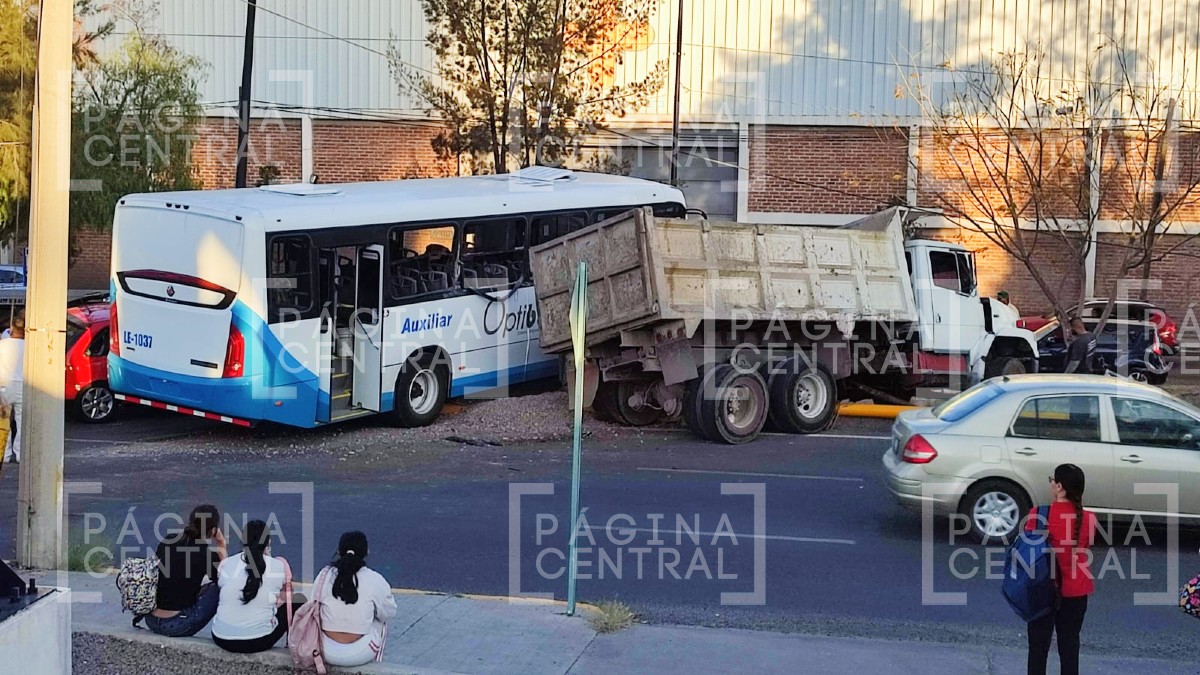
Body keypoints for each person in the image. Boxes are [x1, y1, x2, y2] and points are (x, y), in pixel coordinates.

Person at [1026, 464, 1097, 675]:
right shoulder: (1090, 519)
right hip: (1076, 591)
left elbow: (1030, 552)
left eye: (1052, 479)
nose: (1050, 483)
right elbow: (1084, 546)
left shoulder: (1038, 515)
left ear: (1059, 486)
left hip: (1043, 590)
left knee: (1038, 648)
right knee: (1070, 645)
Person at [211, 520, 303, 653]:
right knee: (298, 601)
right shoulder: (278, 566)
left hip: (221, 637)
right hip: (258, 641)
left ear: (242, 541)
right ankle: (292, 646)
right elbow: (286, 598)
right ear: (268, 542)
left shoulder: (227, 563)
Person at [317, 532, 397, 667]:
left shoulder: (324, 574)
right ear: (366, 552)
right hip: (358, 653)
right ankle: (376, 666)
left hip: (324, 648)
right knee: (381, 623)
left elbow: (314, 605)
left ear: (338, 551)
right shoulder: (375, 579)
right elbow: (388, 613)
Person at [145, 504, 226, 637]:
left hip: (151, 620)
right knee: (217, 587)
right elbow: (225, 579)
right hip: (176, 625)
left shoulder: (169, 539)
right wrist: (221, 544)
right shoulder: (205, 553)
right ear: (213, 530)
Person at [0, 311, 24, 463]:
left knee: (4, 421)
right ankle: (20, 453)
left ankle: (5, 454)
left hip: (4, 385)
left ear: (12, 329)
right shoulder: (30, 347)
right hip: (23, 385)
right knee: (22, 422)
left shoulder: (2, 345)